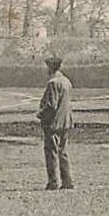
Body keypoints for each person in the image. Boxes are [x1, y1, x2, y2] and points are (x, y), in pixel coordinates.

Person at [36, 55, 74, 190]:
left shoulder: (53, 83)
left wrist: (40, 114)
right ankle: (67, 181)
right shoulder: (66, 81)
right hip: (65, 122)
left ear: (50, 68)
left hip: (53, 123)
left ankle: (53, 182)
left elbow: (51, 106)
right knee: (63, 151)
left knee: (51, 152)